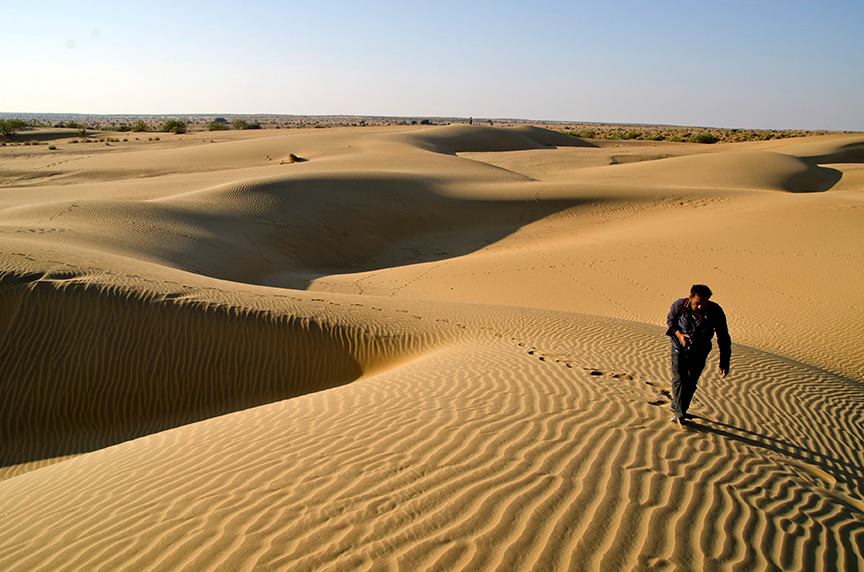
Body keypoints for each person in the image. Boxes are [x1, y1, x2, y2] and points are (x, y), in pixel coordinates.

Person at [666, 284, 731, 425]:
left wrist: (724, 361)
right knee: (679, 378)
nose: (701, 306)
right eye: (697, 303)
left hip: (701, 350)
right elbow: (671, 322)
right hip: (679, 346)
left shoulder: (716, 311)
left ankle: (678, 405)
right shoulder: (680, 305)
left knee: (691, 382)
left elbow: (723, 336)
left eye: (704, 303)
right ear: (690, 297)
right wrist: (680, 335)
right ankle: (679, 413)